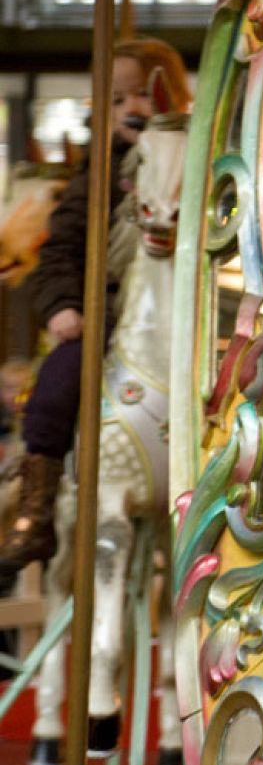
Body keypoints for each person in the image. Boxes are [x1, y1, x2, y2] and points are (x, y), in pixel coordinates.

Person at [0, 38, 193, 580]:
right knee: (57, 382)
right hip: (109, 314)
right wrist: (63, 306)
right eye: (116, 99)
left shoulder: (192, 159)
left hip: (188, 314)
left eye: (145, 95)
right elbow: (60, 248)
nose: (132, 108)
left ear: (172, 96)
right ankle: (36, 512)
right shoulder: (99, 173)